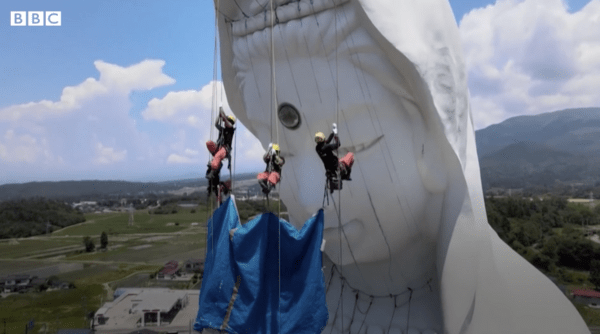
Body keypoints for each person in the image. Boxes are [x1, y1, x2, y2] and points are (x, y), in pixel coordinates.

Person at [315, 123, 354, 193]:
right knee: (350, 155)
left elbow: (326, 142)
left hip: (329, 168)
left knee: (343, 160)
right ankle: (347, 176)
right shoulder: (327, 147)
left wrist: (332, 133)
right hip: (337, 166)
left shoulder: (317, 148)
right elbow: (338, 144)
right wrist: (336, 135)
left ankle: (345, 175)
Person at [206, 106, 236, 181]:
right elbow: (216, 124)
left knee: (218, 155)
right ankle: (215, 160)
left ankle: (212, 171)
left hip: (225, 149)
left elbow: (226, 121)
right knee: (209, 143)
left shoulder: (231, 129)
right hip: (219, 147)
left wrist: (222, 114)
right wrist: (219, 115)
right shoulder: (223, 130)